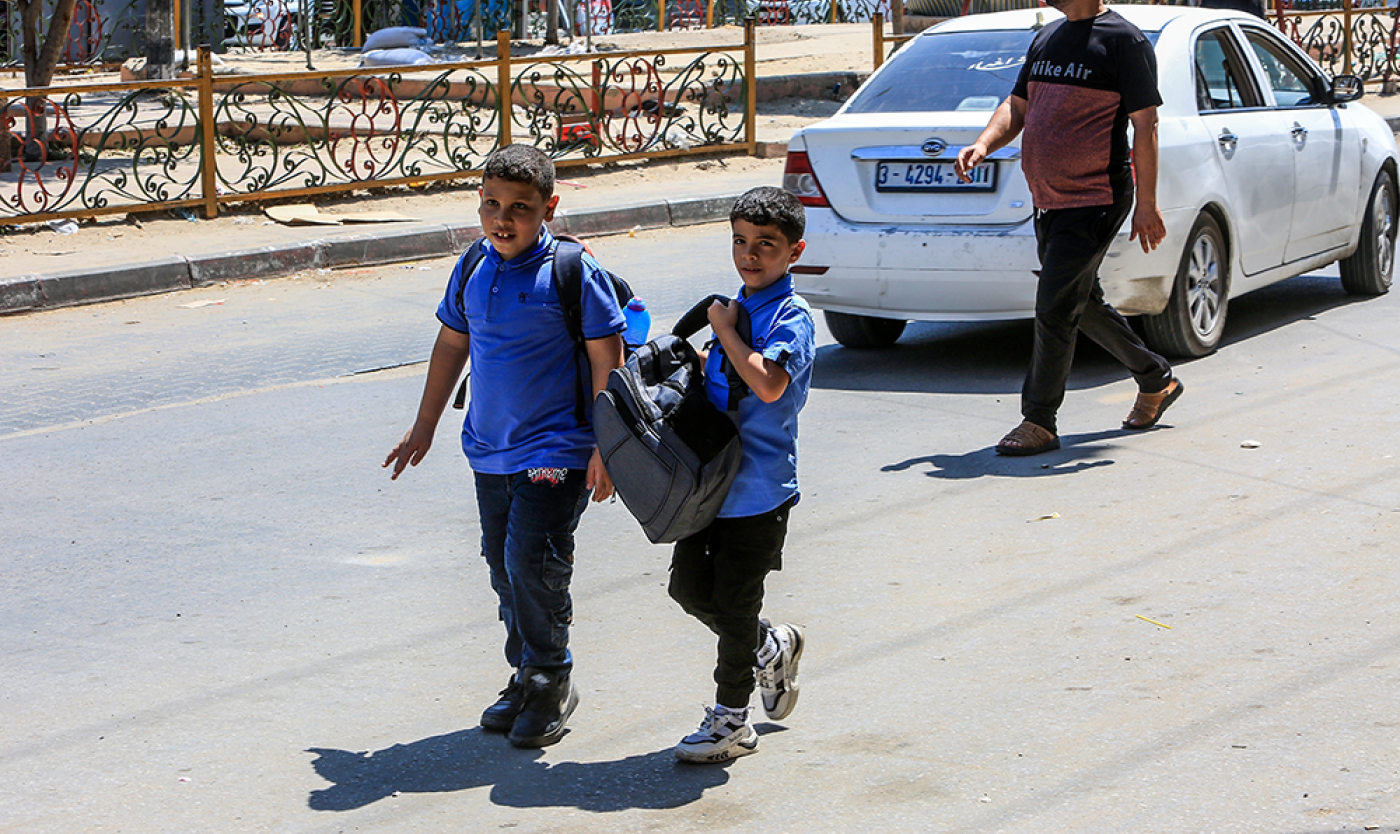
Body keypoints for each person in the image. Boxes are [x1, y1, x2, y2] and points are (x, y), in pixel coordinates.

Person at [383, 143, 625, 748]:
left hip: (558, 450)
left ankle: (551, 678)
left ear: (549, 208)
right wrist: (424, 425)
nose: (503, 218)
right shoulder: (473, 264)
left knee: (532, 562)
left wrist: (608, 445)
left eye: (520, 207)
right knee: (501, 565)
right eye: (492, 204)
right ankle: (526, 673)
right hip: (489, 449)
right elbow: (451, 345)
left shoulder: (572, 272)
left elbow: (607, 358)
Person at [954, 0, 1183, 456]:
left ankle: (1039, 419)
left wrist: (1147, 203)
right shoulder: (1048, 36)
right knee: (1081, 302)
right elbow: (1018, 106)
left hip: (1095, 197)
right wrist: (983, 143)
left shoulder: (1124, 41)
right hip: (1048, 199)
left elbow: (1146, 125)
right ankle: (1155, 378)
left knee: (1054, 306)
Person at [668, 186, 815, 764]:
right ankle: (768, 643)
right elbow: (728, 377)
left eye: (765, 245)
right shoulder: (736, 306)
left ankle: (731, 721)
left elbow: (770, 384)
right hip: (710, 484)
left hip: (758, 490)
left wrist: (725, 334)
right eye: (739, 241)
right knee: (688, 589)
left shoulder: (790, 316)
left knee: (733, 603)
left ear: (794, 251)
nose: (749, 255)